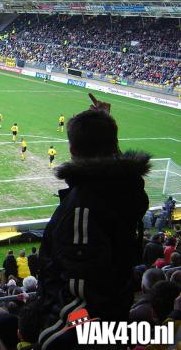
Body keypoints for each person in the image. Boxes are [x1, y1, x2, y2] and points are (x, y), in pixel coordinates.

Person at [37, 108, 150, 349]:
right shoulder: (126, 189)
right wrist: (105, 126)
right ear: (114, 145)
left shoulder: (83, 209)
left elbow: (85, 301)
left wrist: (48, 341)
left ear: (72, 150)